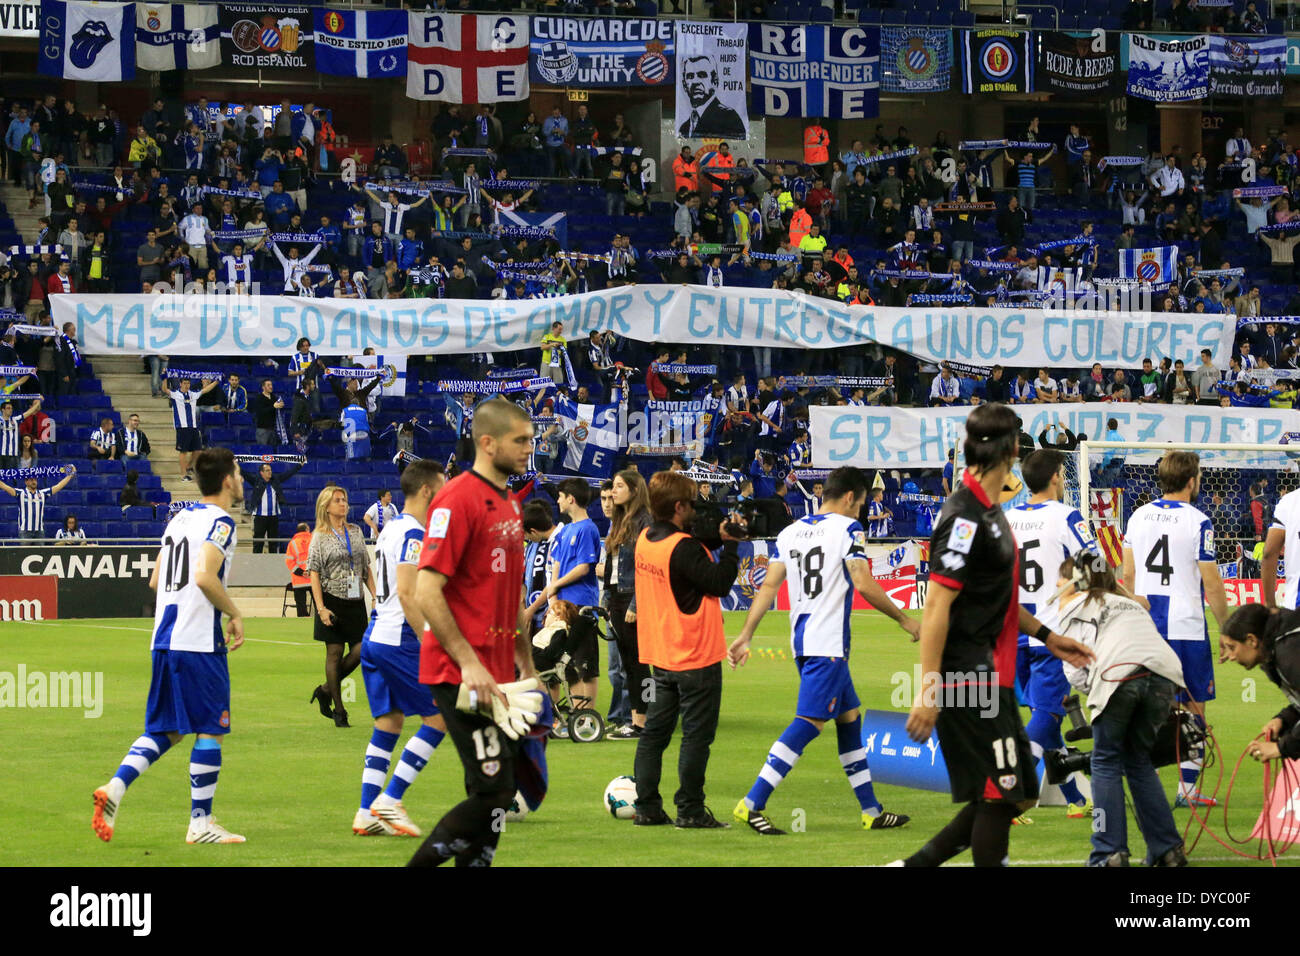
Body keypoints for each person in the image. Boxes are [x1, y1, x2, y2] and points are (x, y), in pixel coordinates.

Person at [898, 403, 1092, 867]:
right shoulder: (964, 517)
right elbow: (938, 606)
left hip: (995, 671)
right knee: (1001, 794)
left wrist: (1048, 635)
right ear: (1011, 450)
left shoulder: (993, 511)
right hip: (968, 676)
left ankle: (914, 865)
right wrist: (928, 690)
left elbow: (1000, 599)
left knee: (1018, 793)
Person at [728, 466, 920, 835]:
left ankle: (870, 810)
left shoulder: (790, 532)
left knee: (849, 720)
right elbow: (862, 582)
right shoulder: (848, 530)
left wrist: (746, 634)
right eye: (862, 504)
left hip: (803, 641)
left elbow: (768, 587)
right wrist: (904, 619)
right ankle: (751, 802)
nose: (861, 511)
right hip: (828, 644)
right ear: (850, 497)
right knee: (810, 722)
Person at [406, 398, 540, 868]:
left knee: (493, 796)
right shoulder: (458, 498)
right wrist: (467, 662)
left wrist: (527, 663)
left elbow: (510, 592)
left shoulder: (508, 500)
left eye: (530, 439)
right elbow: (427, 589)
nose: (529, 448)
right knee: (494, 792)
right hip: (462, 674)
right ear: (487, 442)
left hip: (500, 672)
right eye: (519, 440)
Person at [90, 447, 246, 845]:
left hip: (164, 639)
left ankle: (115, 789)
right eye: (240, 473)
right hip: (197, 641)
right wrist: (234, 613)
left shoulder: (179, 518)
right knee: (212, 727)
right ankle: (201, 823)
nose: (242, 480)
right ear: (227, 480)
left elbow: (157, 580)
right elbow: (205, 577)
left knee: (170, 729)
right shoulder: (222, 523)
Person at [1052, 553, 1188, 866]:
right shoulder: (1131, 604)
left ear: (1075, 581)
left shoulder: (1072, 604)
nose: (1057, 586)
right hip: (1164, 674)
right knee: (1139, 761)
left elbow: (1075, 669)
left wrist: (1094, 692)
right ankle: (1168, 850)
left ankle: (1109, 852)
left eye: (1061, 579)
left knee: (1105, 761)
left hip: (1118, 674)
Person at [631, 470, 743, 829]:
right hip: (695, 652)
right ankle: (690, 809)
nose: (696, 510)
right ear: (679, 506)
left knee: (654, 736)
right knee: (696, 738)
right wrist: (732, 547)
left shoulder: (645, 539)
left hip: (661, 653)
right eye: (692, 504)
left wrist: (715, 539)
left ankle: (647, 807)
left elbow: (684, 559)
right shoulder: (685, 547)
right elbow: (720, 584)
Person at [1120, 451, 1229, 808]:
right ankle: (1188, 789)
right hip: (1186, 626)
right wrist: (1227, 629)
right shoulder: (1199, 521)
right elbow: (1211, 584)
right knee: (1195, 704)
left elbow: (1128, 577)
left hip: (1148, 626)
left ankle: (1139, 783)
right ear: (1192, 480)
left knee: (1146, 705)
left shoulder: (1137, 517)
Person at [355, 460, 450, 837]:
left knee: (389, 723)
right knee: (440, 715)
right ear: (427, 490)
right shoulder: (414, 533)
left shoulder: (390, 527)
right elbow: (409, 594)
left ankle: (366, 811)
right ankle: (391, 799)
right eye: (441, 488)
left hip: (376, 633)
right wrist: (430, 641)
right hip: (399, 639)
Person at [1005, 450, 1094, 819]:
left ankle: (1075, 799)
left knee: (1048, 712)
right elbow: (1096, 565)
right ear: (1057, 476)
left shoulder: (1006, 518)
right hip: (1051, 633)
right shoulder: (1065, 517)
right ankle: (1008, 789)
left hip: (1012, 631)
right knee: (1047, 715)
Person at [308, 484, 376, 728]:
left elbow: (365, 566)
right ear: (326, 507)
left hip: (355, 599)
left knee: (361, 650)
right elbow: (313, 572)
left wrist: (375, 595)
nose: (343, 504)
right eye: (337, 500)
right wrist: (320, 607)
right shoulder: (319, 536)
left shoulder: (356, 531)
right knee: (334, 654)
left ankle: (325, 689)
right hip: (331, 600)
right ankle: (339, 709)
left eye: (344, 500)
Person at [603, 469, 654, 740]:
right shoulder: (619, 521)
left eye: (620, 486)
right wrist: (608, 601)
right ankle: (638, 718)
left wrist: (636, 603)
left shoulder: (644, 521)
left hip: (634, 598)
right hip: (618, 598)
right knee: (629, 662)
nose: (614, 491)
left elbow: (646, 567)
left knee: (639, 663)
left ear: (634, 490)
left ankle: (645, 720)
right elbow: (613, 565)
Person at [546, 478, 602, 722]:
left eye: (560, 496)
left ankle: (586, 717)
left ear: (571, 498)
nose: (557, 500)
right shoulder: (566, 529)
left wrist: (555, 585)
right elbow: (557, 563)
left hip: (582, 603)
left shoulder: (588, 529)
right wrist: (554, 597)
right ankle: (576, 715)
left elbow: (583, 568)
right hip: (563, 604)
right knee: (567, 663)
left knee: (585, 662)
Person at [1219, 603, 1300, 766]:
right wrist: (1284, 719)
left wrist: (1281, 748)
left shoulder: (1289, 653)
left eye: (1232, 647)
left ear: (1251, 640)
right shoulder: (1274, 652)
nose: (1231, 656)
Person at [241, 459, 304, 554]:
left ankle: (273, 566)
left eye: (270, 470)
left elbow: (288, 474)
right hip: (260, 517)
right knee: (258, 543)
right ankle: (255, 565)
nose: (270, 472)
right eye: (267, 470)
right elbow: (245, 474)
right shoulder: (256, 481)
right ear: (261, 473)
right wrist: (234, 464)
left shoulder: (275, 480)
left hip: (273, 517)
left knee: (273, 543)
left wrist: (299, 465)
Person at [162, 377, 218, 482]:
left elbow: (206, 390)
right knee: (183, 451)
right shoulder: (175, 394)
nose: (186, 385)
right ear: (180, 384)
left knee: (197, 450)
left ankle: (188, 467)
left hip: (193, 426)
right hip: (182, 427)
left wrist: (217, 381)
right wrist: (164, 378)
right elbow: (165, 389)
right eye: (184, 383)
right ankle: (183, 475)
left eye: (188, 383)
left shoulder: (193, 394)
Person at [678, 55, 746, 139]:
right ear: (684, 85)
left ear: (715, 81)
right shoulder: (684, 128)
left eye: (702, 75)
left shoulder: (728, 117)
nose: (695, 81)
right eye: (690, 76)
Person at [0, 465, 76, 539]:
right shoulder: (20, 493)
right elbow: (5, 487)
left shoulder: (43, 493)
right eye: (31, 479)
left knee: (40, 552)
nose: (34, 481)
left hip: (39, 531)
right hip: (25, 531)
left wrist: (70, 475)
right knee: (24, 552)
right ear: (26, 482)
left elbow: (58, 486)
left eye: (35, 479)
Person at [284, 522, 313, 617]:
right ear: (307, 530)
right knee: (319, 605)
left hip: (299, 580)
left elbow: (289, 562)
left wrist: (301, 572)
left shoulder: (292, 543)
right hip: (314, 578)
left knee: (301, 607)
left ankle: (302, 623)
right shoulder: (314, 540)